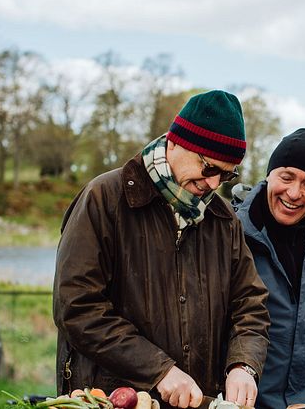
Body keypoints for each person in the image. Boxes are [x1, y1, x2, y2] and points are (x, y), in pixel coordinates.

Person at [53, 90, 270, 409]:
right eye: (209, 167)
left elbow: (249, 303)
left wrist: (243, 365)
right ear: (175, 142)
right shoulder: (103, 199)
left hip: (197, 401)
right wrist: (159, 369)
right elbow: (76, 306)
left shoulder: (223, 218)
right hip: (112, 399)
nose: (213, 184)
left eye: (225, 174)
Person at [232, 128, 305, 409]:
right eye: (286, 177)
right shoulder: (230, 232)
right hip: (245, 398)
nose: (294, 193)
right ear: (269, 175)